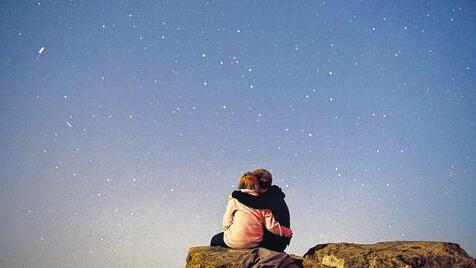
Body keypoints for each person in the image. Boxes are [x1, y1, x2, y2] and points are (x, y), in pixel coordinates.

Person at [210, 172, 293, 249]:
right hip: (258, 242)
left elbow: (227, 220)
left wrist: (227, 231)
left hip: (271, 242)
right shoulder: (266, 201)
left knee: (215, 240)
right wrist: (287, 232)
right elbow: (272, 226)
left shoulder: (237, 199)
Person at [231, 168, 291, 252]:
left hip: (274, 242)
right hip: (277, 239)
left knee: (219, 239)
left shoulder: (267, 198)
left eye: (253, 183)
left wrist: (237, 195)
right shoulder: (273, 195)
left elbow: (255, 202)